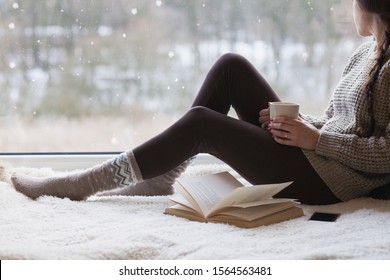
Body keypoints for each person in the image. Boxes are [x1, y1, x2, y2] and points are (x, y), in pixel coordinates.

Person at [11, 0, 390, 205]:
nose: (347, 7)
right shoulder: (364, 52)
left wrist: (315, 140)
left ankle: (82, 183)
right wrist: (302, 126)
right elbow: (342, 121)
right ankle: (164, 177)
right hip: (320, 155)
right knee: (231, 67)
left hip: (331, 182)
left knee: (202, 124)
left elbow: (386, 152)